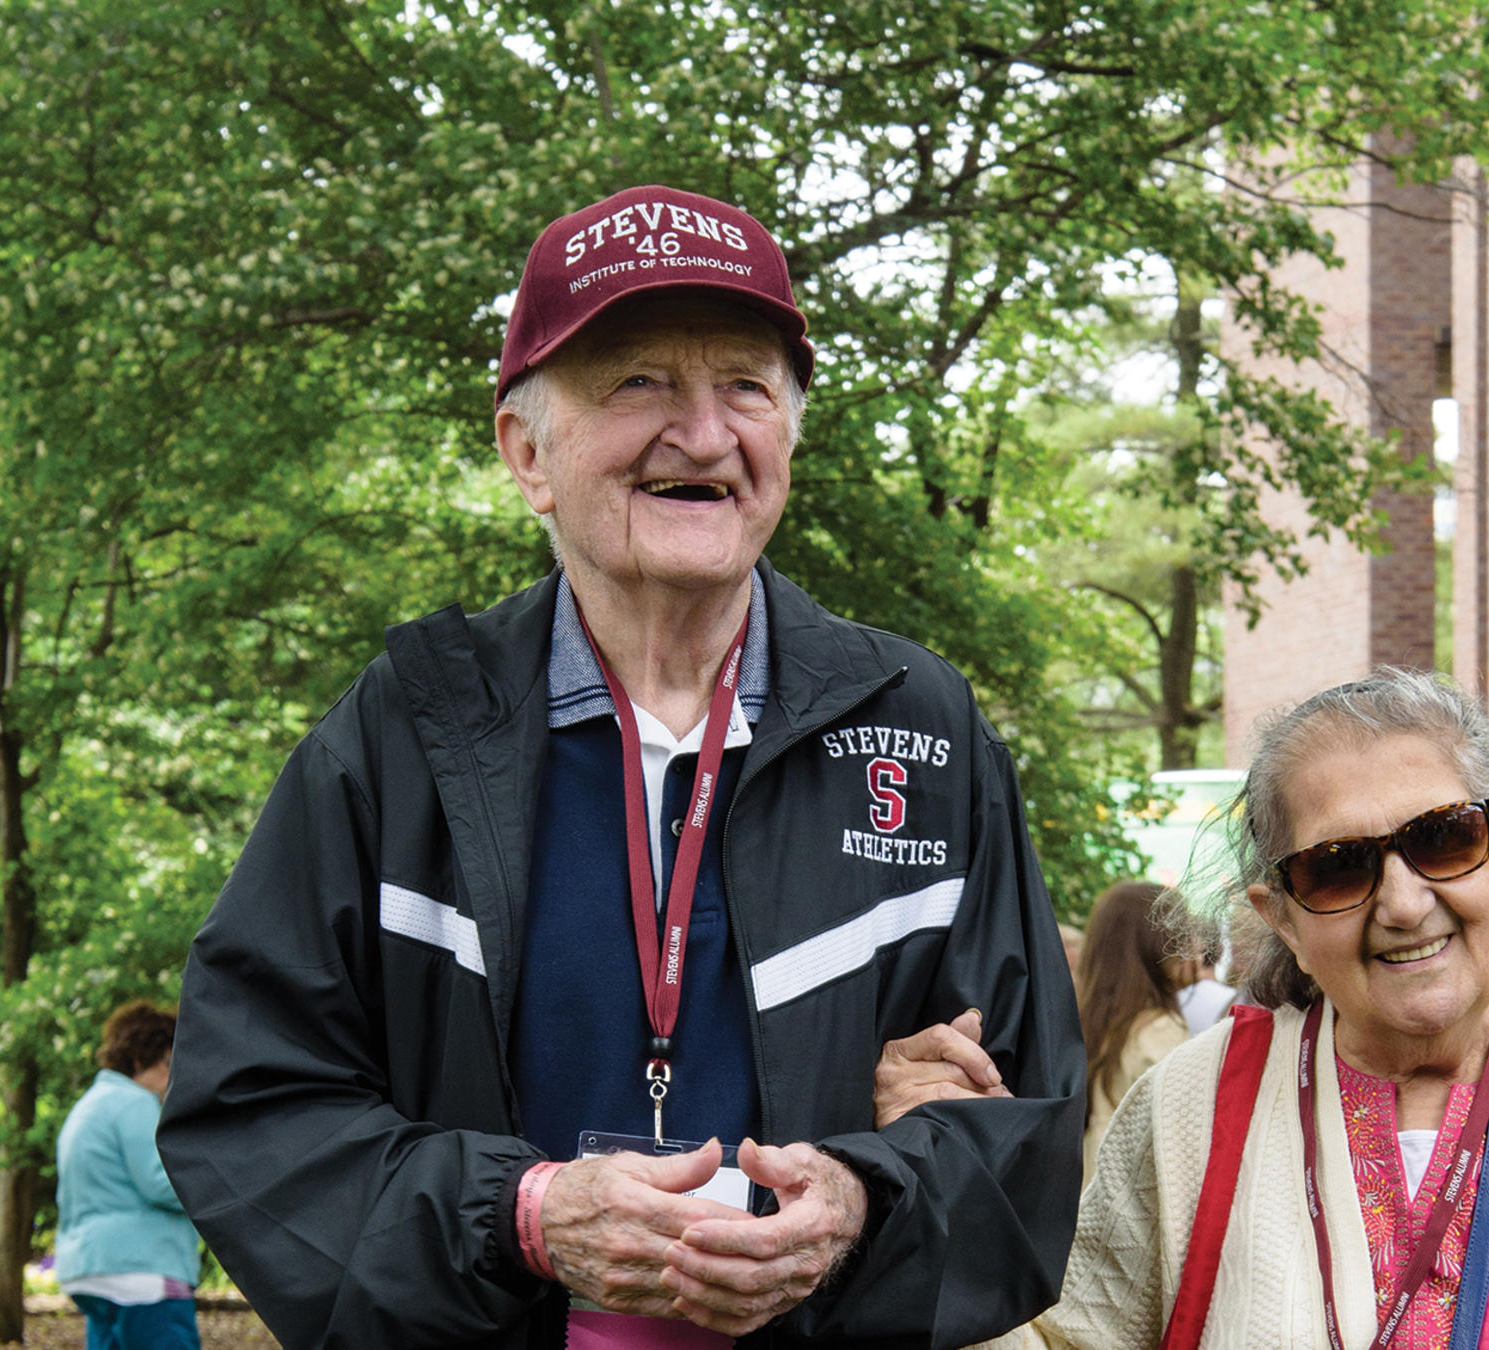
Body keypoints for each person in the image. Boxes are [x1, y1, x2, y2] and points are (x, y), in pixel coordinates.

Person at [157, 184, 1084, 1350]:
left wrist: (863, 1199)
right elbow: (248, 1111)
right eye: (638, 380)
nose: (702, 434)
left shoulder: (920, 728)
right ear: (527, 452)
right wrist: (528, 1215)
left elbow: (1031, 1133)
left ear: (789, 433)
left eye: (744, 384)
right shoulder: (406, 731)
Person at [949, 669, 1489, 1347]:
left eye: (1445, 838)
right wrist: (957, 1194)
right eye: (1340, 866)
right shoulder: (1190, 1105)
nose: (1403, 903)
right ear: (1279, 918)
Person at [56, 1001, 202, 1350]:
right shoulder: (134, 1102)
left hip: (91, 1271)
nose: (174, 1076)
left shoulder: (90, 1105)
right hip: (142, 1273)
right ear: (138, 1060)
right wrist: (218, 1186)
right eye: (169, 1063)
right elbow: (160, 1182)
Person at [1075, 881, 1189, 1181]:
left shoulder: (1082, 1022)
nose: (1188, 948)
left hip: (1082, 1194)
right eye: (1177, 934)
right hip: (1132, 1200)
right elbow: (1182, 1138)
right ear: (1155, 943)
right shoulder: (1159, 1030)